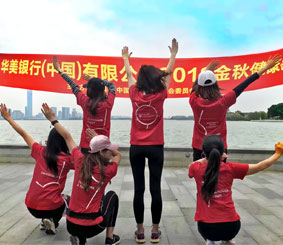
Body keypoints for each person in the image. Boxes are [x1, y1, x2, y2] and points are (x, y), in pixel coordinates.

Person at [121, 38, 178, 243]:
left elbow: (129, 75)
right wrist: (172, 56)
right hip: (155, 147)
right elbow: (168, 75)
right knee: (155, 188)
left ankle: (140, 232)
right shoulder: (161, 94)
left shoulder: (134, 94)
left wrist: (126, 60)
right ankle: (155, 231)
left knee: (139, 189)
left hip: (136, 146)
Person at [41, 103, 121, 245]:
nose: (111, 150)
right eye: (108, 149)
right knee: (112, 196)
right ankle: (110, 238)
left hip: (71, 226)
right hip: (93, 227)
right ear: (103, 152)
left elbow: (67, 137)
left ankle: (79, 239)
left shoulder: (79, 160)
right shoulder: (108, 171)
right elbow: (118, 155)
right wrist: (99, 139)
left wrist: (53, 120)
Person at [188, 135, 283, 245]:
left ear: (204, 152)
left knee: (209, 233)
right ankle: (229, 240)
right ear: (223, 152)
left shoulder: (196, 168)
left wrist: (206, 158)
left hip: (207, 228)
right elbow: (259, 166)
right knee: (228, 234)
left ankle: (210, 241)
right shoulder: (230, 168)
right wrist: (277, 154)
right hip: (232, 227)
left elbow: (193, 164)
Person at [190, 54, 282, 161]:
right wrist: (265, 68)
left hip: (199, 147)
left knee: (199, 175)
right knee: (221, 176)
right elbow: (244, 84)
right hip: (219, 147)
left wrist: (205, 71)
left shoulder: (194, 101)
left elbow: (193, 89)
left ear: (199, 87)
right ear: (215, 84)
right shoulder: (223, 101)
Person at [0, 103, 72, 235]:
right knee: (67, 199)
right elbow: (83, 162)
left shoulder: (40, 151)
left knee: (50, 199)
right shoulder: (67, 160)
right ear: (64, 142)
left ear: (49, 140)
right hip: (52, 206)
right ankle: (53, 221)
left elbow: (23, 134)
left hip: (31, 206)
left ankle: (44, 220)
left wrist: (8, 118)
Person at [53, 57, 116, 154]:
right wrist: (96, 80)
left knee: (86, 169)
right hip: (103, 147)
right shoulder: (108, 104)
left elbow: (73, 85)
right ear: (102, 90)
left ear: (89, 90)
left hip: (86, 147)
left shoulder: (84, 101)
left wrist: (60, 70)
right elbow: (112, 85)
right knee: (101, 170)